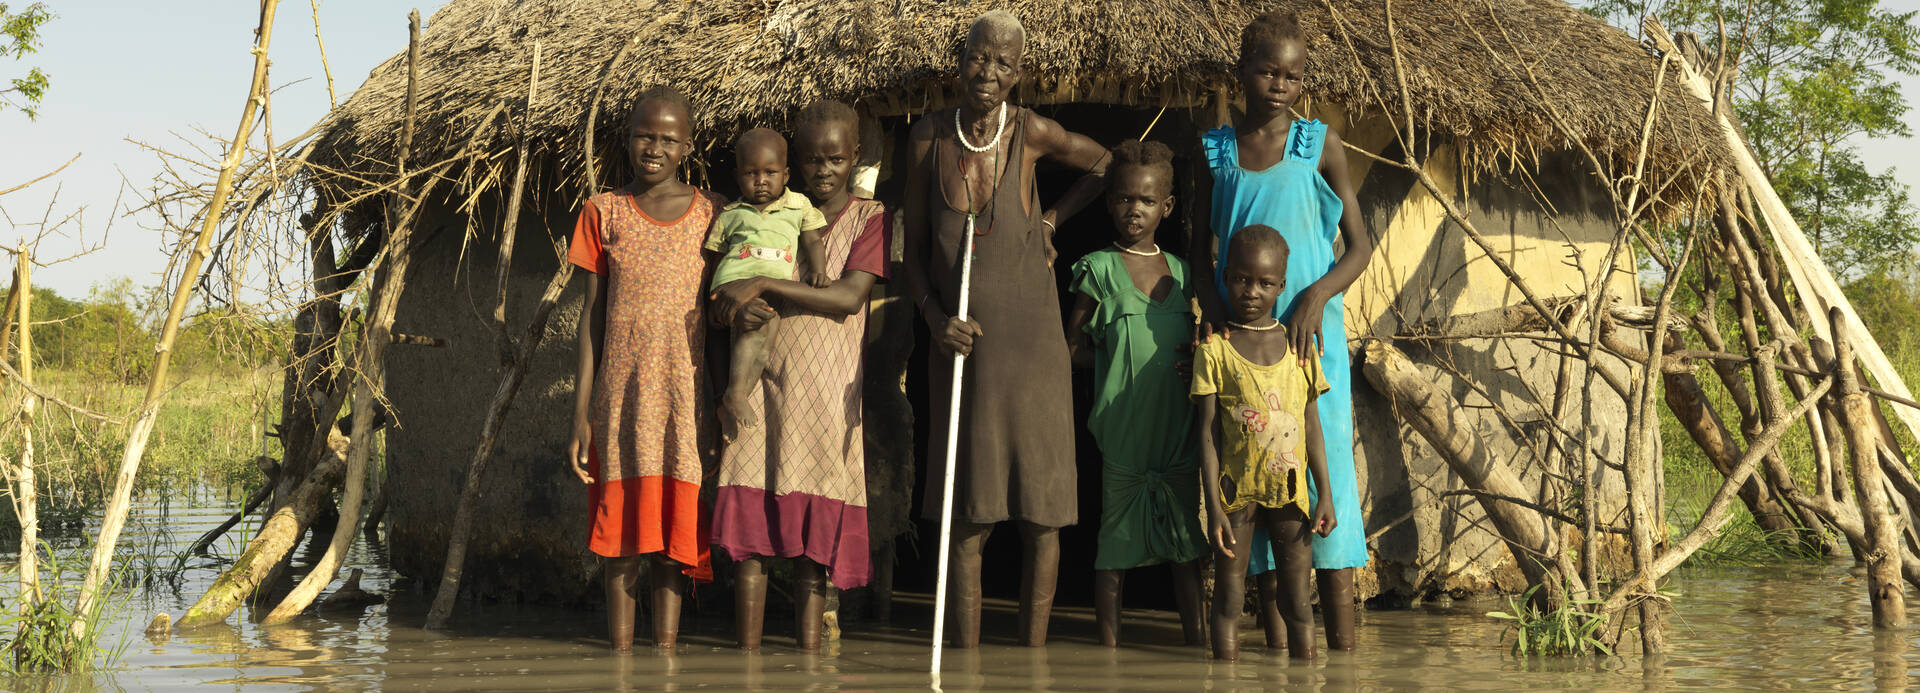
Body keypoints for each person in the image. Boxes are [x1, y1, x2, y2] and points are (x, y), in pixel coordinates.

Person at [901, 9, 1112, 648]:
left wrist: (1050, 220)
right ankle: (964, 663)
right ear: (959, 62)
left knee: (1042, 517)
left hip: (1034, 348)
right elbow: (910, 252)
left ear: (1018, 75)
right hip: (961, 351)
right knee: (969, 516)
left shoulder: (1033, 133)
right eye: (977, 58)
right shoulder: (927, 139)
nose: (987, 73)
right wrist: (935, 320)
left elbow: (1107, 163)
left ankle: (1032, 664)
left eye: (1002, 64)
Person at [1188, 9, 1374, 653]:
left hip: (1310, 342)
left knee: (1327, 484)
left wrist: (1316, 297)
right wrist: (1214, 315)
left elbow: (1359, 246)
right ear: (1241, 73)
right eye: (1267, 71)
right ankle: (1280, 659)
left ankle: (1341, 656)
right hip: (1242, 348)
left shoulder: (1319, 144)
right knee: (1253, 476)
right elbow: (1196, 247)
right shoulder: (1216, 151)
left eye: (1292, 75)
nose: (1279, 84)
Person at [707, 100, 890, 651]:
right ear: (794, 164)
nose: (823, 170)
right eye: (811, 159)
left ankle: (808, 662)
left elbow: (847, 296)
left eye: (835, 158)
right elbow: (725, 287)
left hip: (826, 393)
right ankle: (748, 664)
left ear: (854, 156)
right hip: (760, 383)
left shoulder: (869, 216)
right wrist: (732, 305)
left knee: (814, 548)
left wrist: (764, 288)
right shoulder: (770, 211)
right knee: (751, 543)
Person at [566, 86, 723, 652]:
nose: (653, 147)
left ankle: (666, 659)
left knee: (672, 540)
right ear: (627, 138)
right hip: (620, 400)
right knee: (621, 539)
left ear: (687, 145)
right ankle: (622, 662)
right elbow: (591, 319)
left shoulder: (713, 214)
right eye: (644, 135)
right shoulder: (602, 212)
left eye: (667, 138)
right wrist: (579, 414)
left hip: (684, 398)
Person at [1064, 140, 1206, 648]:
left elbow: (1201, 346)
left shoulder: (1186, 274)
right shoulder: (1098, 269)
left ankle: (1197, 648)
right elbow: (1071, 350)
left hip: (1178, 433)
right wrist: (1114, 356)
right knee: (1114, 548)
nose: (1134, 210)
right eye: (1124, 199)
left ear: (1166, 207)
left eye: (1146, 201)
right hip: (1123, 431)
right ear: (1109, 202)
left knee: (1188, 547)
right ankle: (1109, 657)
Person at [1193, 225, 1336, 661]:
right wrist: (1213, 505)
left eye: (1265, 283)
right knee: (1229, 603)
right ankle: (1225, 678)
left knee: (1297, 605)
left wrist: (1325, 493)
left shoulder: (1298, 347)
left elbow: (1312, 424)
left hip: (1290, 496)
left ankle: (1307, 679)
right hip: (1235, 497)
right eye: (1240, 279)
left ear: (1281, 286)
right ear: (1224, 275)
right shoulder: (1214, 350)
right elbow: (1207, 432)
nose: (1251, 291)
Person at [705, 128, 831, 442]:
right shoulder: (730, 214)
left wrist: (819, 271)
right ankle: (734, 393)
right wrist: (715, 296)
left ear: (786, 174)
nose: (760, 180)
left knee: (766, 337)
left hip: (770, 286)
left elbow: (813, 239)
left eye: (770, 172)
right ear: (737, 176)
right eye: (751, 173)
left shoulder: (798, 205)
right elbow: (715, 258)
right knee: (757, 330)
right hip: (737, 282)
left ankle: (734, 399)